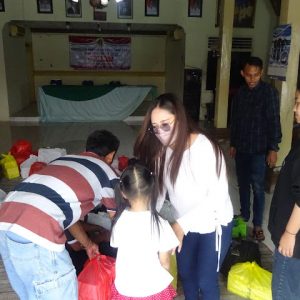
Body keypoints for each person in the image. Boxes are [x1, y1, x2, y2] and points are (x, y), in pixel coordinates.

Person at [134, 93, 233, 299]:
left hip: (213, 224)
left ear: (180, 119)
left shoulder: (205, 149)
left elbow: (216, 198)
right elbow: (159, 192)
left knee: (205, 281)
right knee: (187, 275)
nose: (160, 133)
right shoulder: (163, 151)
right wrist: (144, 214)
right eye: (155, 127)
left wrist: (179, 225)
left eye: (166, 125)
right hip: (184, 224)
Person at [0, 129, 120, 300]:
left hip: (5, 222)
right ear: (111, 156)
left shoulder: (62, 160)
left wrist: (88, 244)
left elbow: (63, 213)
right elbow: (119, 222)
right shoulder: (107, 172)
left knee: (31, 293)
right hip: (37, 231)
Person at [229, 56, 282, 241]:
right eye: (249, 75)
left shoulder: (269, 93)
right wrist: (233, 143)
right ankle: (244, 218)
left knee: (258, 187)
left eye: (256, 75)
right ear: (243, 74)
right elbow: (235, 121)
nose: (252, 79)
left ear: (261, 74)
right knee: (243, 185)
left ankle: (258, 225)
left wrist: (273, 148)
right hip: (242, 148)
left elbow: (274, 121)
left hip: (260, 150)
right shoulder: (240, 94)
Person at [110, 162, 179, 299]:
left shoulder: (119, 220)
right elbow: (165, 262)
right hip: (153, 288)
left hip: (126, 288)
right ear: (153, 189)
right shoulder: (161, 224)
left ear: (123, 192)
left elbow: (116, 246)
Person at [268, 87, 300, 300]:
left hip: (293, 244)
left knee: (284, 293)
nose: (295, 109)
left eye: (298, 102)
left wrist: (290, 234)